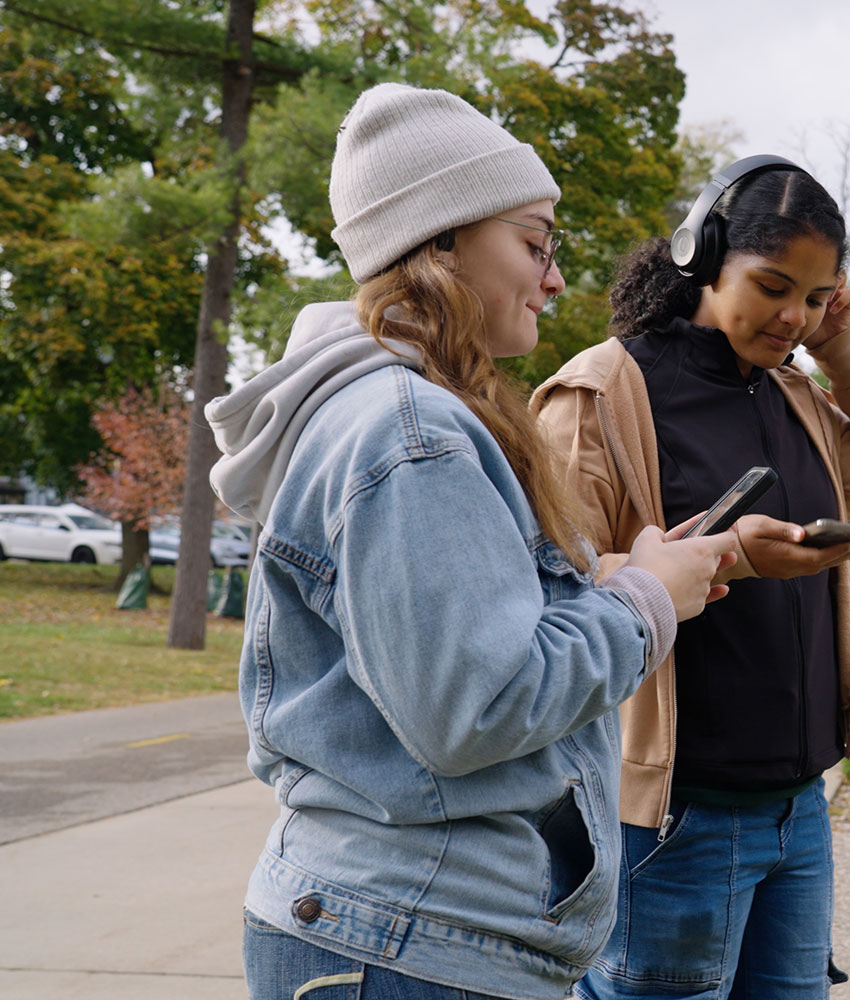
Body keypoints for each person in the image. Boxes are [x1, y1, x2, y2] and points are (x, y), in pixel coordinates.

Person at [204, 83, 739, 1000]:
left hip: (404, 935)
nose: (556, 278)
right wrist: (646, 601)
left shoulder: (391, 415)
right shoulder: (411, 431)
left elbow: (427, 651)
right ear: (441, 240)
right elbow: (474, 708)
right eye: (535, 244)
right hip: (411, 946)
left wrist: (616, 574)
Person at [530, 156, 850, 999]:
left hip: (800, 811)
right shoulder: (600, 394)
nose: (793, 316)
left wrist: (842, 347)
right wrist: (735, 556)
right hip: (675, 818)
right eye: (772, 286)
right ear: (702, 255)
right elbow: (545, 587)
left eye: (815, 296)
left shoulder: (794, 394)